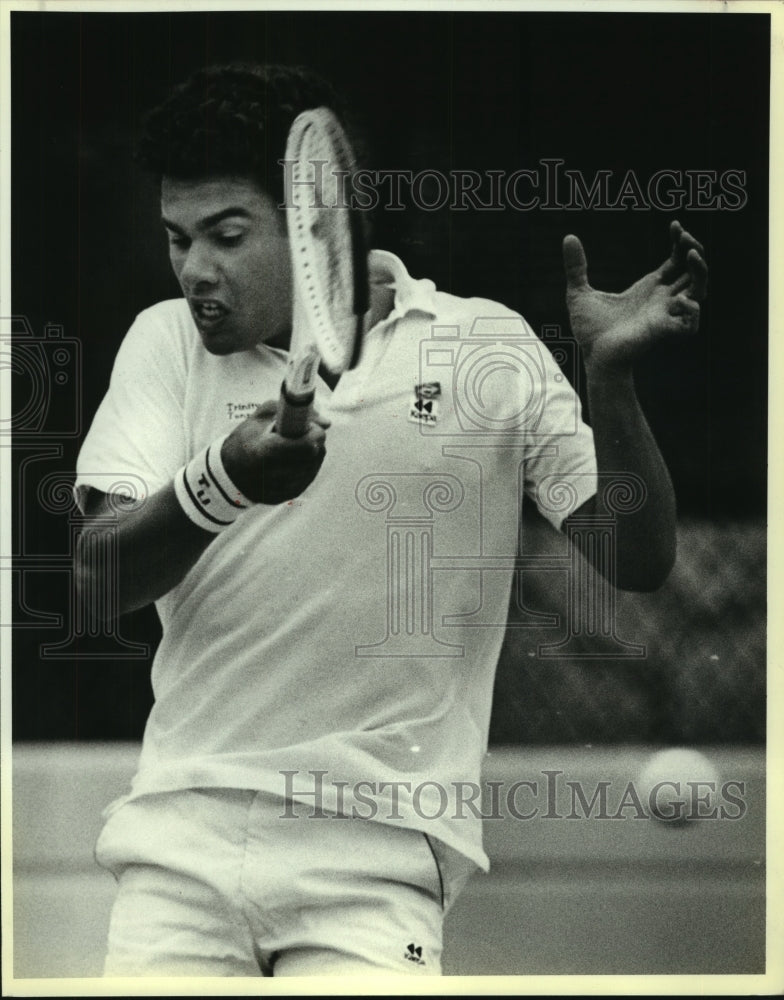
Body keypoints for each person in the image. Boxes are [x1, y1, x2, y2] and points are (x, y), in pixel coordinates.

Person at [73, 62, 707, 977]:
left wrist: (610, 383)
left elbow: (637, 556)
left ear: (317, 226)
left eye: (226, 235)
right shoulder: (163, 340)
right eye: (177, 238)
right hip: (178, 843)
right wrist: (228, 479)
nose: (194, 269)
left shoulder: (483, 346)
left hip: (377, 864)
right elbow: (95, 579)